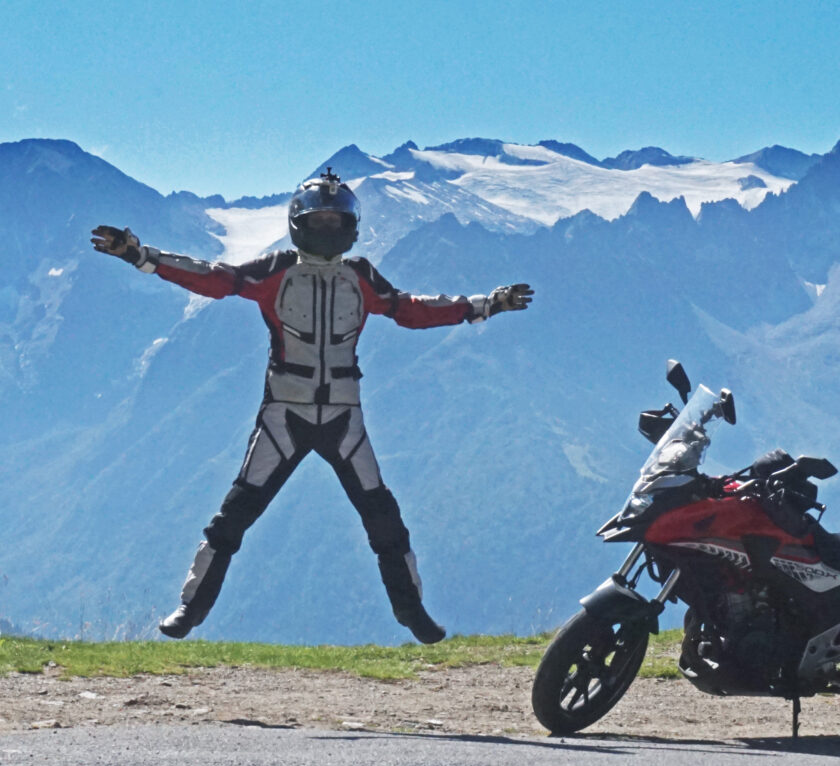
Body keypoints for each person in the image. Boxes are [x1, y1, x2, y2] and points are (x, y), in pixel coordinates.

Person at [90, 168, 533, 644]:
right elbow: (215, 279)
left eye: (334, 220)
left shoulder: (356, 276)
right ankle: (189, 610)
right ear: (301, 223)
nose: (326, 228)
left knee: (383, 518)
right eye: (318, 220)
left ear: (349, 227)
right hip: (288, 413)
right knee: (234, 517)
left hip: (338, 414)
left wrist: (486, 305)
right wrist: (140, 256)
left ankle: (412, 614)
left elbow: (411, 309)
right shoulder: (278, 271)